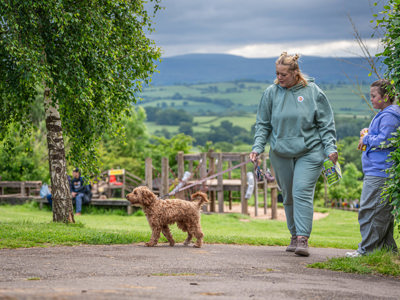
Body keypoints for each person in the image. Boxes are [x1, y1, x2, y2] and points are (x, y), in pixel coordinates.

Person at [250, 52, 338, 257]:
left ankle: (303, 238)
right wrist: (257, 147)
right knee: (288, 195)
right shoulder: (271, 93)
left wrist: (330, 147)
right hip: (281, 152)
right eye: (277, 74)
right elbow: (263, 125)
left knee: (301, 192)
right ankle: (293, 234)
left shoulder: (313, 92)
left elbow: (325, 124)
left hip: (311, 151)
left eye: (283, 74)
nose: (279, 78)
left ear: (295, 73)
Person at [346, 79, 400, 258]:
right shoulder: (385, 113)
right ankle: (386, 250)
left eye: (374, 96)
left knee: (370, 210)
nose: (371, 99)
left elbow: (386, 139)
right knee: (381, 212)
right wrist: (369, 132)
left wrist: (367, 139)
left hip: (380, 171)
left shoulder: (389, 115)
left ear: (385, 97)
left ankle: (366, 250)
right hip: (377, 170)